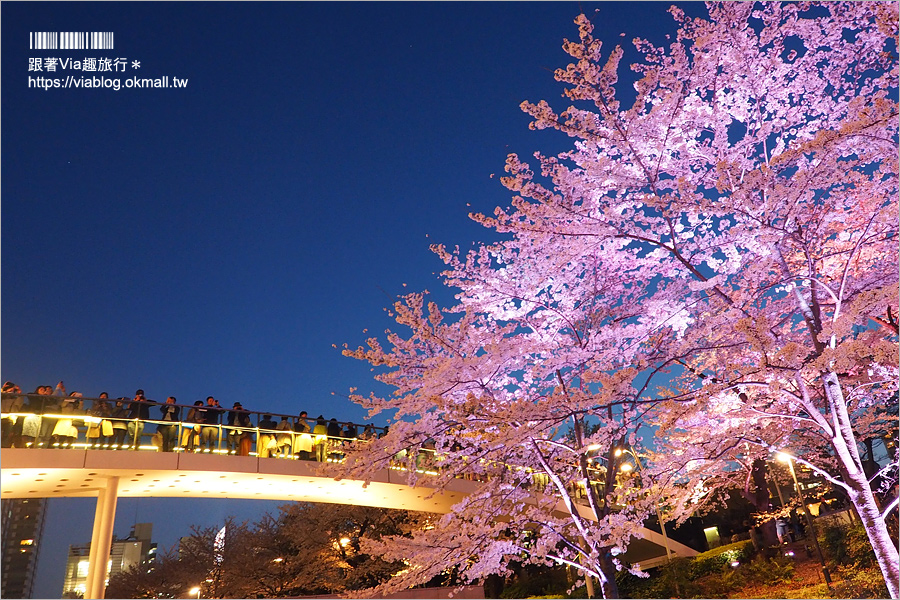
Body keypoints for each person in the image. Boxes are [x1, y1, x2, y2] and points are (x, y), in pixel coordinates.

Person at [1, 382, 24, 448]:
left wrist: (20, 394)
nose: (10, 391)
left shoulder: (15, 398)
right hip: (2, 417)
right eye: (8, 389)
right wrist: (2, 389)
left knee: (7, 434)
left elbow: (18, 405)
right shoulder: (2, 397)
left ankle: (4, 447)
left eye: (12, 389)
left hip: (10, 418)